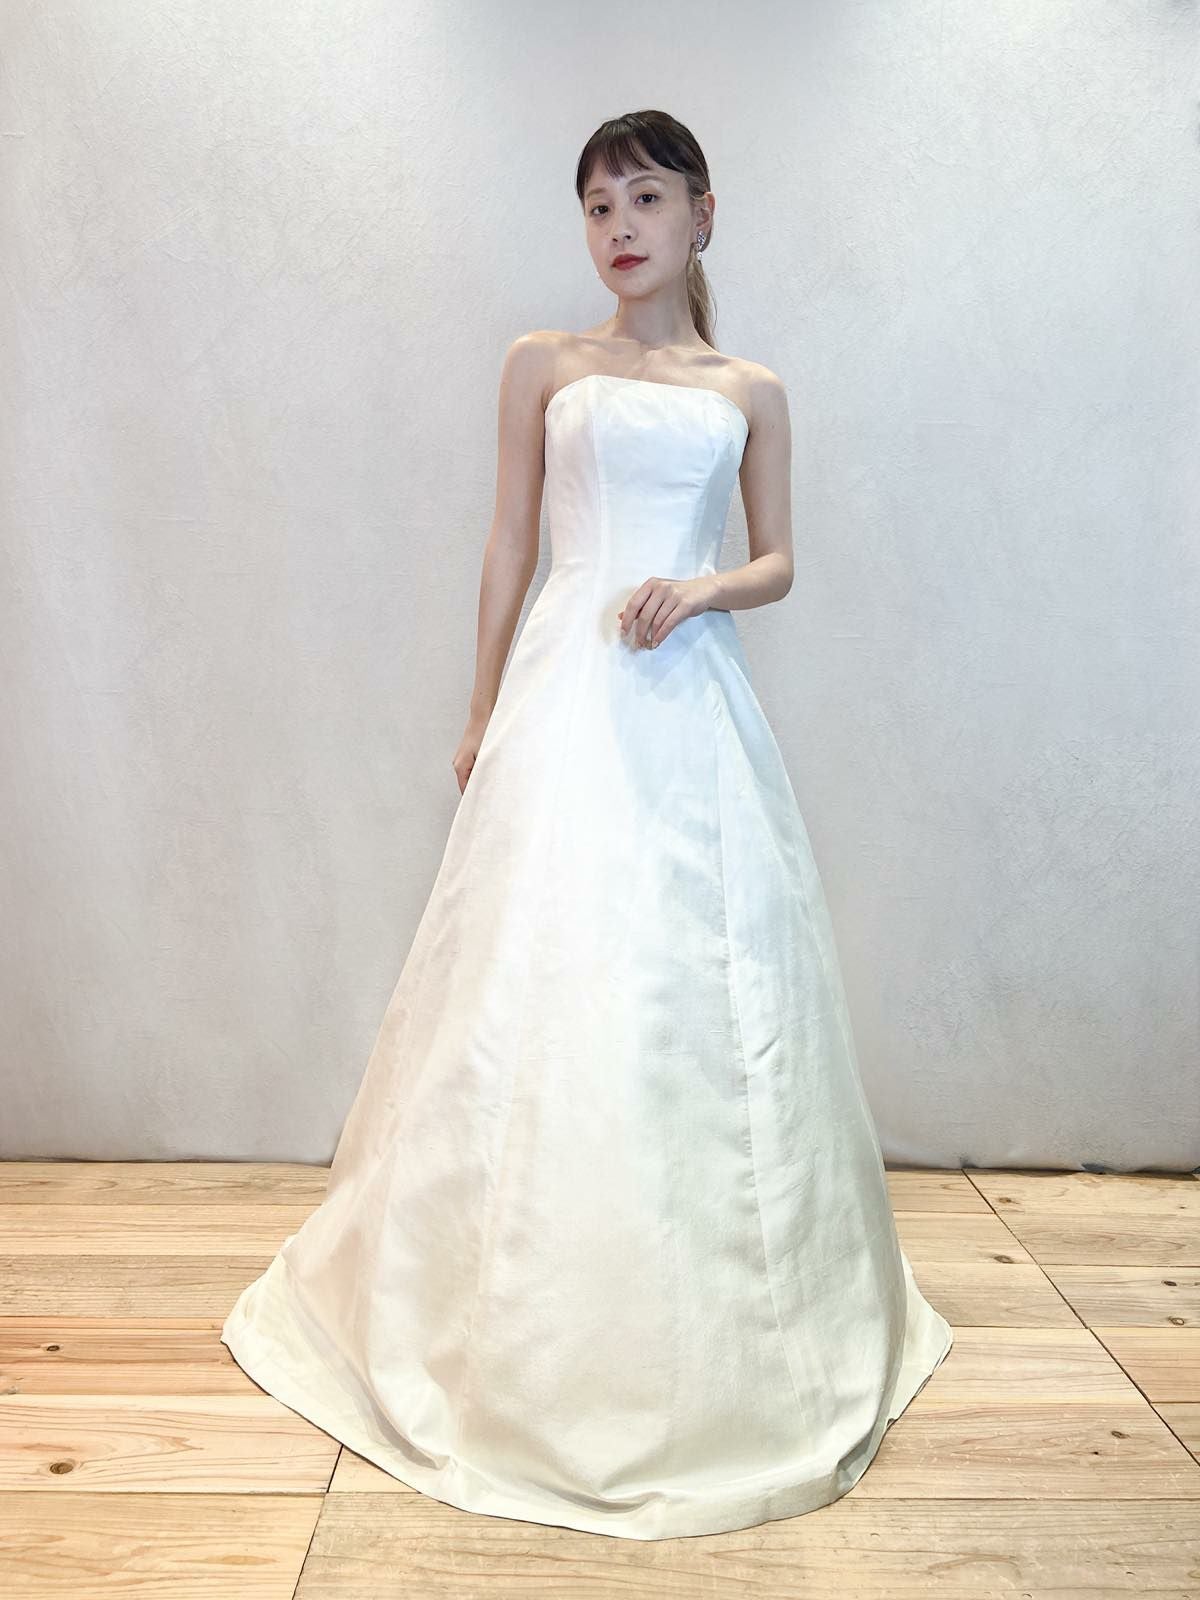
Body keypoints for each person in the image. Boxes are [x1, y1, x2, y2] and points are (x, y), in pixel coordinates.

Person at [221, 108, 954, 1543]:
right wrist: (480, 708)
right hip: (567, 691)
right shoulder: (542, 366)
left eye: (647, 198)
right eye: (599, 206)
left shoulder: (751, 388)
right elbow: (509, 541)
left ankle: (704, 1304)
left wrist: (701, 588)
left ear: (702, 214)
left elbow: (781, 560)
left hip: (688, 697)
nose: (620, 227)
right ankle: (508, 1311)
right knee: (539, 966)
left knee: (692, 976)